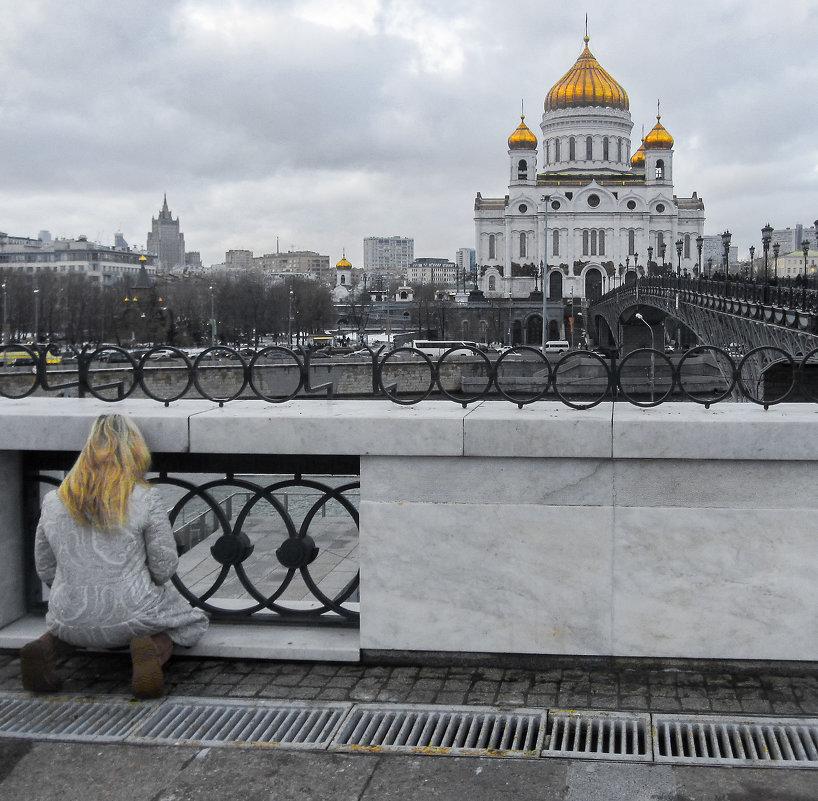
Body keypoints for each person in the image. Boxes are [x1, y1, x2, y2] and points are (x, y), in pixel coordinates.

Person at [20, 413, 208, 699]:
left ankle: (47, 648)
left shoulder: (54, 500)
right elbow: (164, 567)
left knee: (74, 623)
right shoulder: (144, 498)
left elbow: (44, 566)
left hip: (67, 612)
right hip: (133, 612)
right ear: (135, 451)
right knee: (193, 621)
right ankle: (151, 651)